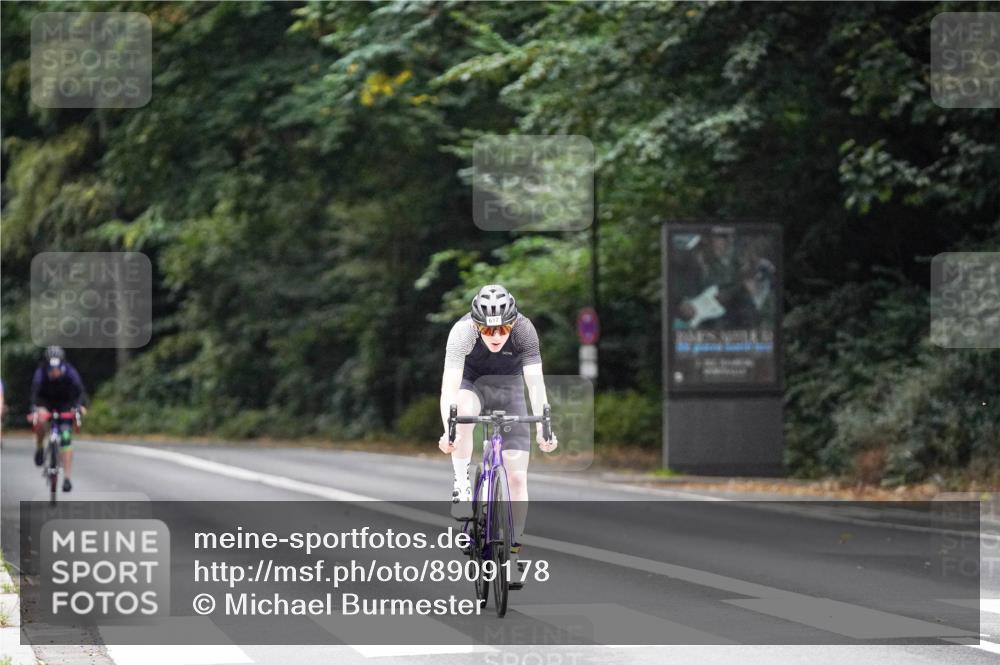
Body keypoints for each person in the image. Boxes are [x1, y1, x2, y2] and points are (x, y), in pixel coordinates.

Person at [438, 284, 557, 565]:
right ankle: (462, 484)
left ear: (512, 323)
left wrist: (543, 427)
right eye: (488, 330)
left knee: (517, 478)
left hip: (509, 389)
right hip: (472, 385)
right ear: (477, 326)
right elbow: (449, 389)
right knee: (464, 411)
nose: (495, 336)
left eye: (502, 329)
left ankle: (513, 550)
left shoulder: (525, 330)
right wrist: (449, 430)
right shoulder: (462, 332)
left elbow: (535, 384)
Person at [30, 346, 88, 492]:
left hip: (65, 403)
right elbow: (34, 394)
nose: (54, 372)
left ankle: (67, 478)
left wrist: (79, 407)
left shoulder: (70, 372)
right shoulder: (40, 373)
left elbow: (80, 392)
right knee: (41, 421)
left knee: (66, 437)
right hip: (46, 402)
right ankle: (39, 447)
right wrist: (36, 409)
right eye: (51, 368)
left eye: (57, 368)